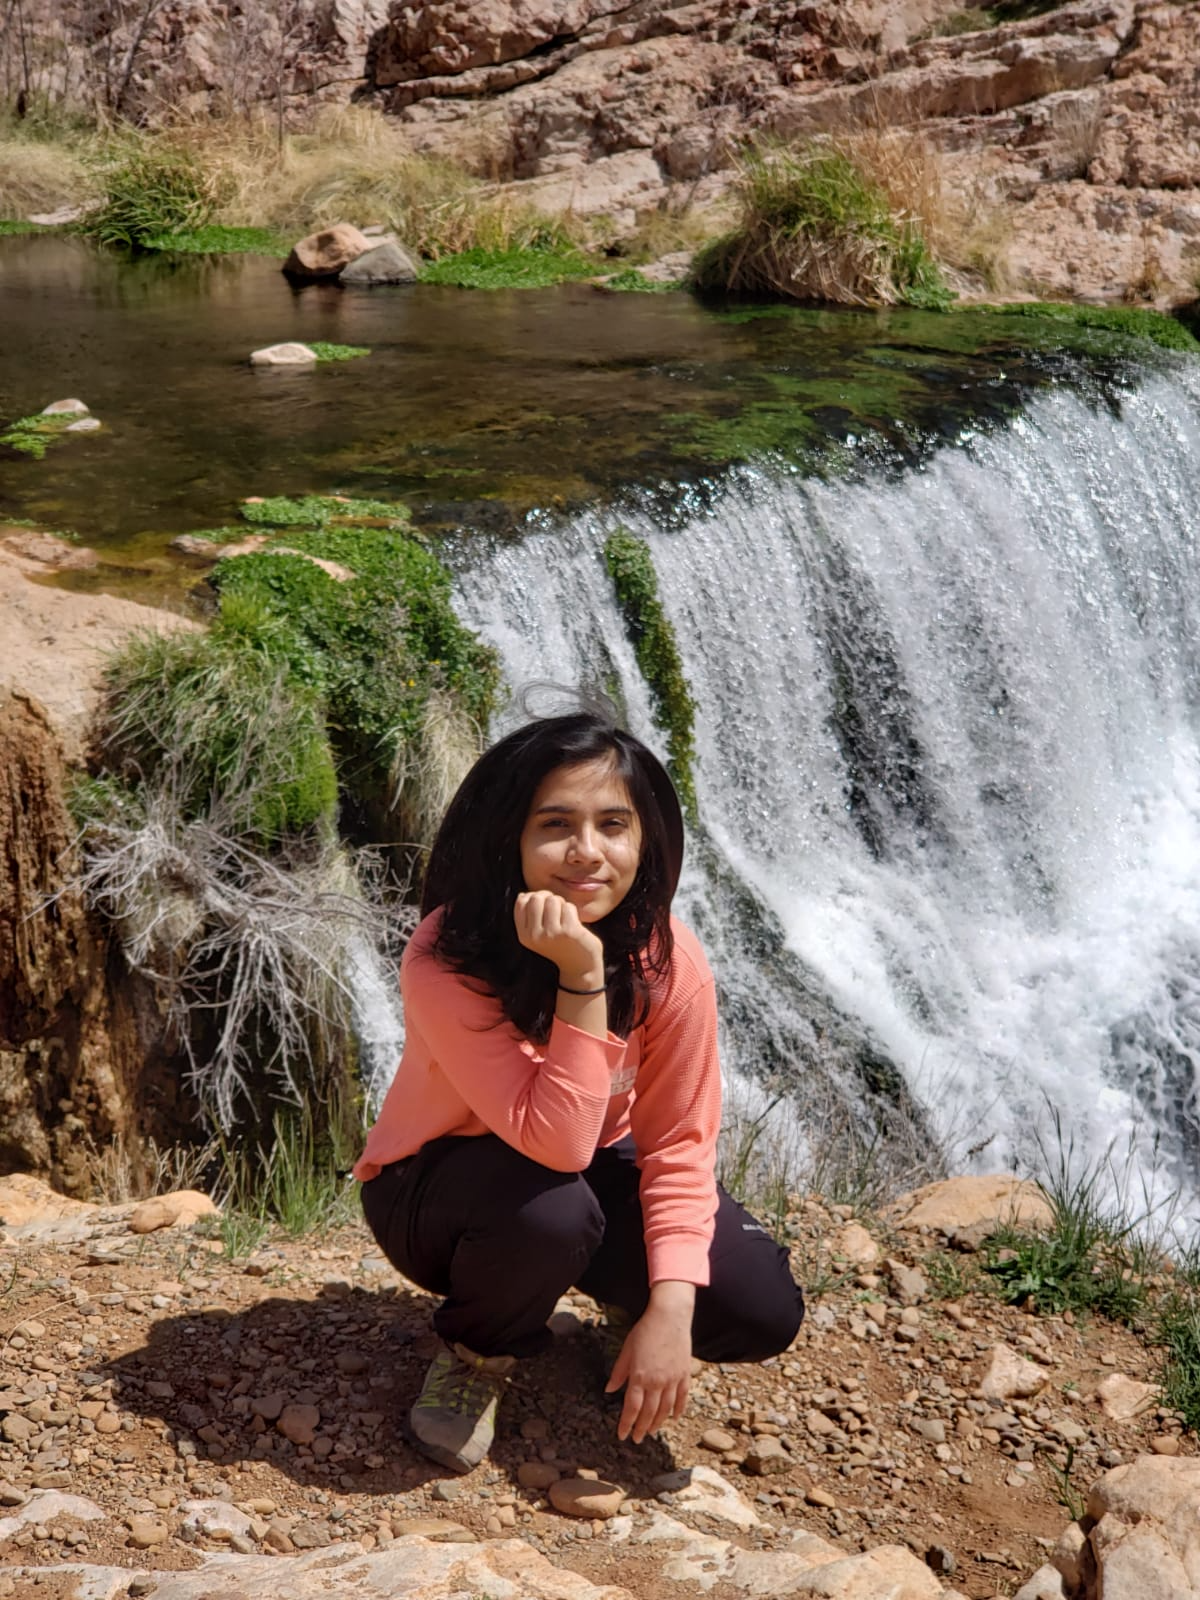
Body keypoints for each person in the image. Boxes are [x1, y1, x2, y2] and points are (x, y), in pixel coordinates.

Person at [354, 709, 805, 1474]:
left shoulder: (671, 960)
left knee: (758, 1304)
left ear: (645, 839)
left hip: (581, 1170)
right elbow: (553, 1138)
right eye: (556, 825)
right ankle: (477, 1351)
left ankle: (620, 1307)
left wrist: (670, 1303)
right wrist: (583, 976)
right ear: (512, 839)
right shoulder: (445, 956)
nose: (587, 853)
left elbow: (677, 1145)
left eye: (613, 825)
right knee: (552, 1209)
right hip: (440, 1191)